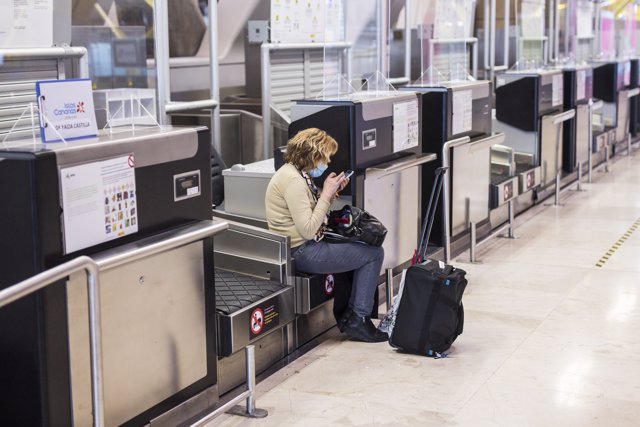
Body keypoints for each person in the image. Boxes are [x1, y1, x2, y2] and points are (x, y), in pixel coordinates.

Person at [265, 128, 386, 343]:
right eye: (325, 158)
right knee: (374, 254)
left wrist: (331, 194)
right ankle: (358, 318)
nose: (327, 163)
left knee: (364, 248)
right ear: (312, 155)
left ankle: (353, 315)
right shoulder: (292, 181)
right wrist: (326, 194)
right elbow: (309, 229)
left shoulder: (295, 173)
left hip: (306, 245)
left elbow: (314, 216)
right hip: (302, 251)